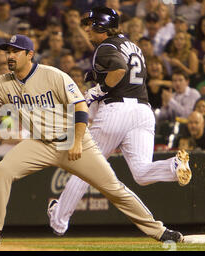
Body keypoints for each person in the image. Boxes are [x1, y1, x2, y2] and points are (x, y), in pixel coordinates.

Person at [0, 32, 183, 244]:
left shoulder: (53, 75)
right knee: (3, 170)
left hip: (72, 140)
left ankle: (159, 231)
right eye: (6, 51)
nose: (9, 56)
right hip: (39, 144)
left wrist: (78, 141)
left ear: (29, 54)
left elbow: (80, 105)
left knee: (114, 189)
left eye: (14, 51)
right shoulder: (3, 82)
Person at [46, 7, 192, 237]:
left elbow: (119, 69)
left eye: (91, 24)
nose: (87, 29)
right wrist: (98, 78)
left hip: (116, 110)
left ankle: (59, 220)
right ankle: (173, 167)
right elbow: (124, 69)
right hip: (143, 111)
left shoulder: (105, 46)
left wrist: (98, 89)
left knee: (84, 168)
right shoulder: (132, 45)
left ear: (102, 26)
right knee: (142, 173)